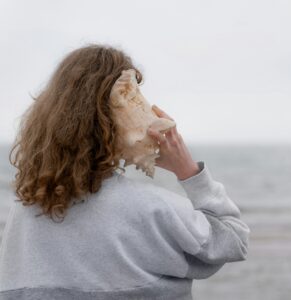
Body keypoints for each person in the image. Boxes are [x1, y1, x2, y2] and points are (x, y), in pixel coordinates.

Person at [0, 44, 250, 300]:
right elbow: (233, 240)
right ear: (113, 116)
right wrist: (188, 170)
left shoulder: (24, 212)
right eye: (133, 97)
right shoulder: (151, 209)